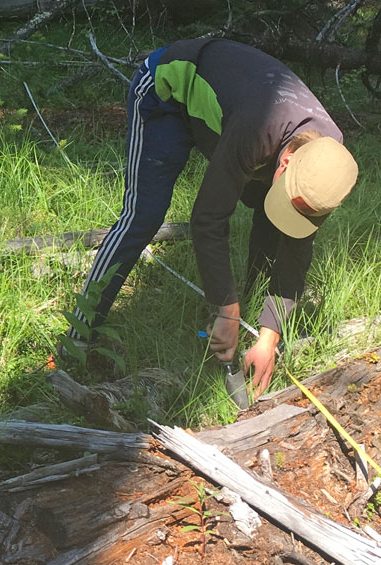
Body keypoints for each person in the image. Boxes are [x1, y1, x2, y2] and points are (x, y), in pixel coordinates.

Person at [67, 37, 358, 394]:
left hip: (229, 113)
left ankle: (249, 321)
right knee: (143, 217)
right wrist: (226, 308)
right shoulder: (257, 129)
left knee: (272, 218)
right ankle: (78, 335)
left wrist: (269, 337)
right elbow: (208, 219)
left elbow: (296, 253)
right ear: (284, 162)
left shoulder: (328, 167)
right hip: (166, 92)